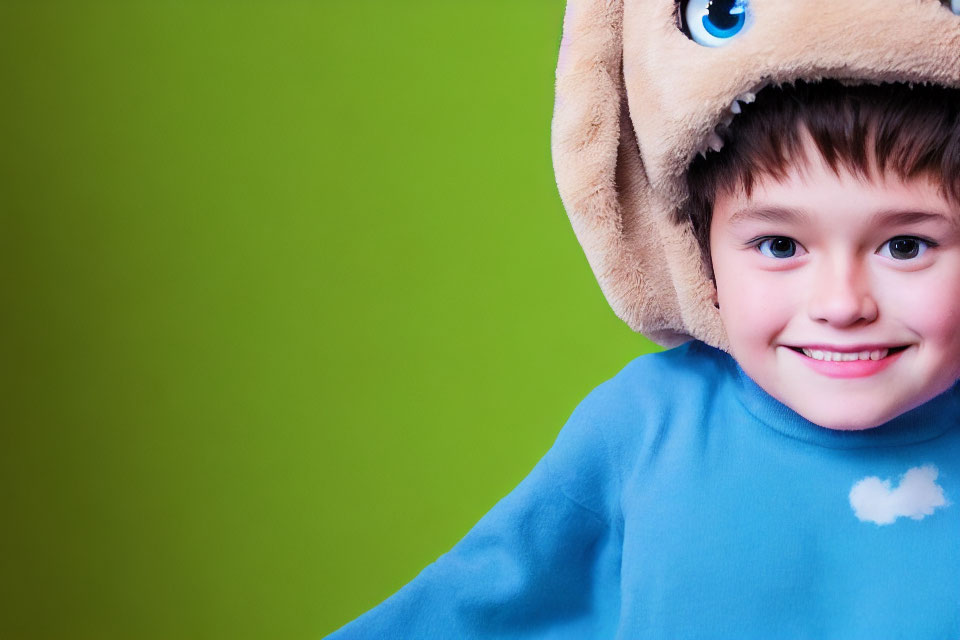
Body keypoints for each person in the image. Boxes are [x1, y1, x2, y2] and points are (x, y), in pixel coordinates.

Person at [328, 1, 960, 637]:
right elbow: (466, 613)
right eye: (779, 247)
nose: (841, 305)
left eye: (905, 247)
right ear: (699, 258)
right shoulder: (644, 429)